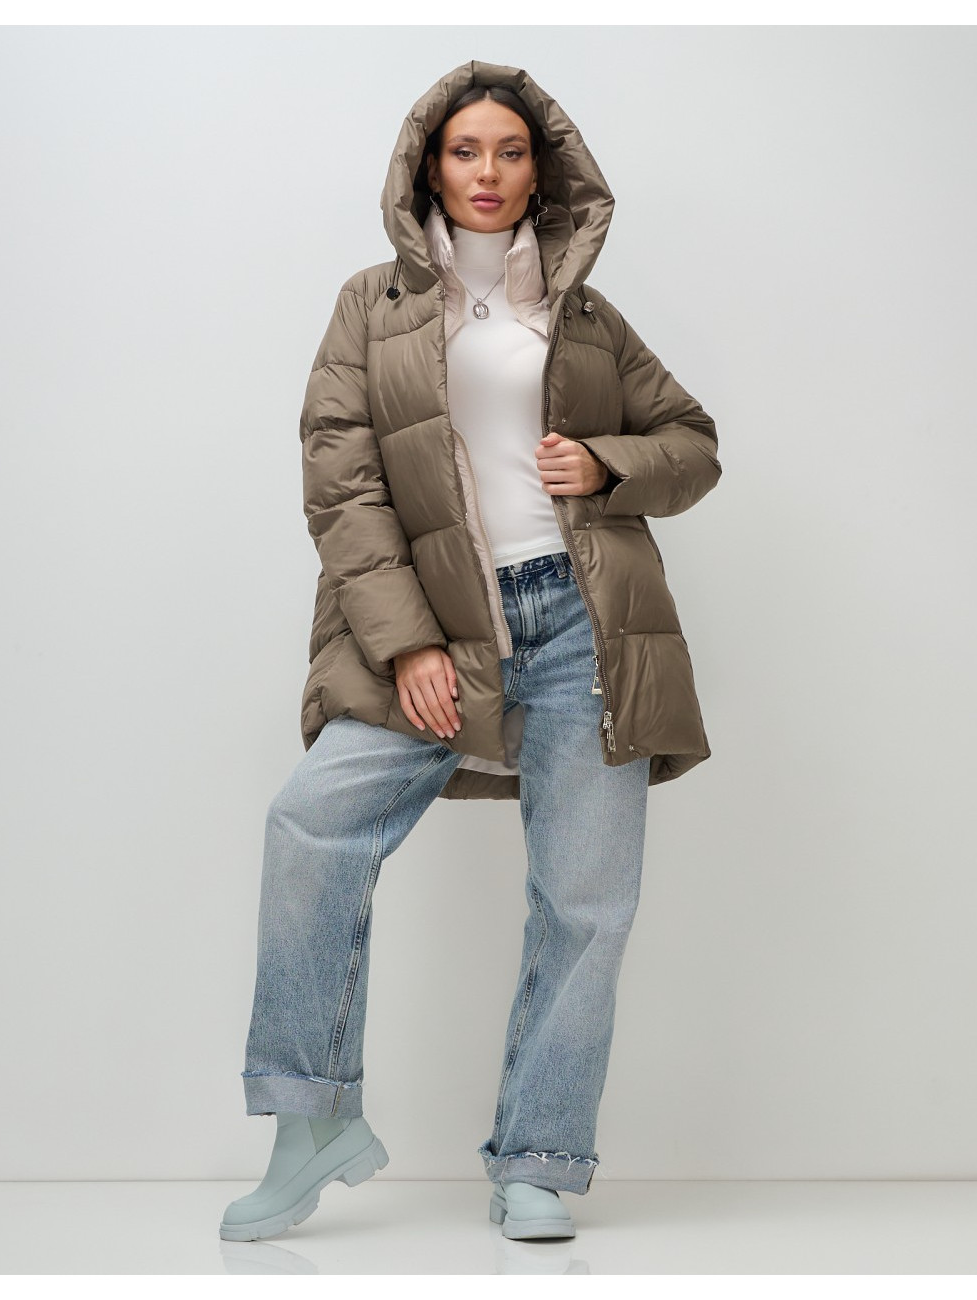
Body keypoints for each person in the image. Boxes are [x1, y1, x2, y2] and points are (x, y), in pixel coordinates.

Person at [220, 59, 721, 1244]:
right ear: (427, 167)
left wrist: (606, 463)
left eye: (509, 150)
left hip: (583, 628)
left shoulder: (586, 318)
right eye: (464, 150)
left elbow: (692, 444)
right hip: (438, 626)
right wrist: (405, 645)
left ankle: (538, 1158)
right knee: (308, 826)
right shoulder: (370, 306)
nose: (487, 171)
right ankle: (310, 1120)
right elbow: (341, 487)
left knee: (584, 903)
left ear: (540, 170)